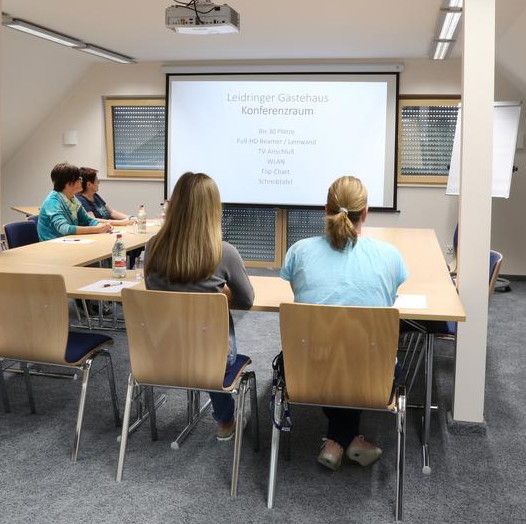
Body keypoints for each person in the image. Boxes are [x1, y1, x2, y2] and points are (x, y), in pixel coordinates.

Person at [279, 175, 408, 471]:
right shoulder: (389, 256)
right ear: (365, 212)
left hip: (306, 367)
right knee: (353, 354)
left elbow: (299, 295)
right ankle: (347, 440)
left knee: (332, 352)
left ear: (326, 209)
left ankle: (336, 441)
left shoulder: (299, 251)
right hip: (374, 371)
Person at [143, 172, 254, 440]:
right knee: (210, 347)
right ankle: (225, 421)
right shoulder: (224, 252)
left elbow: (153, 293)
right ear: (213, 208)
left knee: (201, 344)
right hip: (214, 358)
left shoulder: (152, 247)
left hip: (162, 351)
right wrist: (222, 295)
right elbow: (246, 300)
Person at [36, 163, 112, 241]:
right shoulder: (52, 201)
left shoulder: (72, 198)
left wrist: (102, 226)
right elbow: (64, 228)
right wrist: (96, 229)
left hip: (68, 241)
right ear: (68, 183)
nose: (81, 180)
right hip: (51, 245)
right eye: (78, 178)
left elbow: (87, 220)